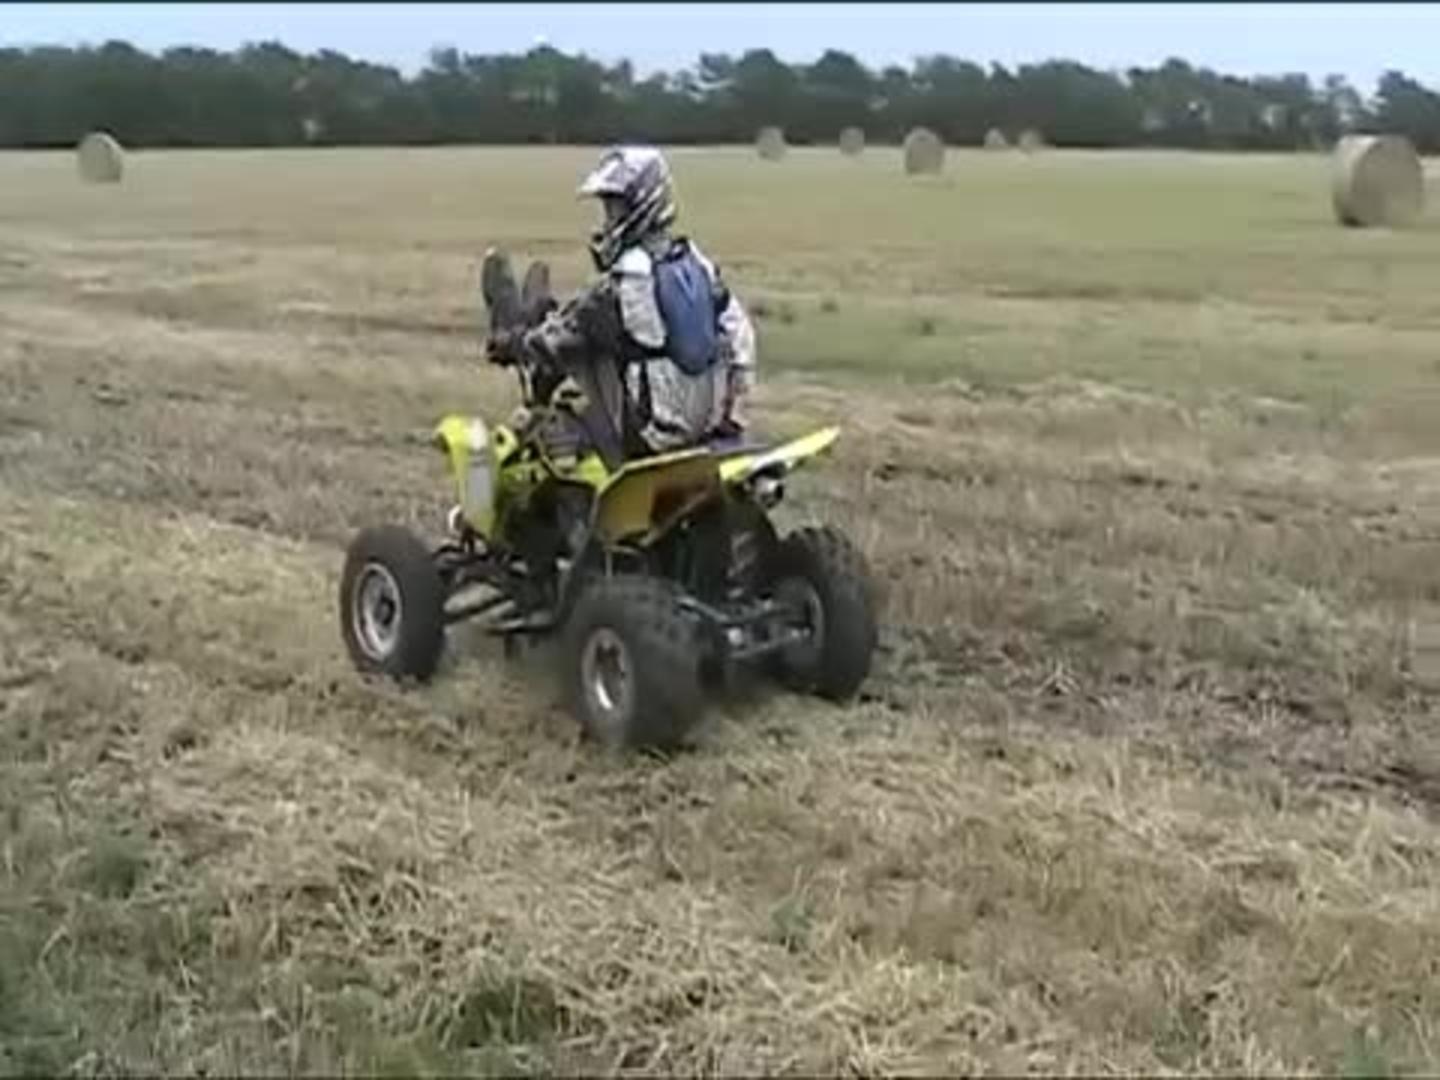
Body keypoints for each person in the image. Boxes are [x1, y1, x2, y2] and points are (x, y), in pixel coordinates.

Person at [485, 145, 758, 461]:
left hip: (651, 436)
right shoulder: (699, 264)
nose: (608, 220)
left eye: (614, 209)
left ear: (642, 205)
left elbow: (559, 339)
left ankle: (566, 460)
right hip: (710, 431)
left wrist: (514, 343)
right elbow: (741, 336)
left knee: (577, 363)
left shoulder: (626, 282)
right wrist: (733, 415)